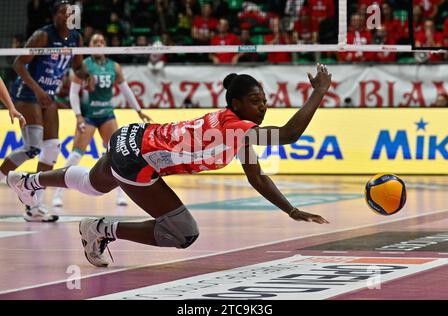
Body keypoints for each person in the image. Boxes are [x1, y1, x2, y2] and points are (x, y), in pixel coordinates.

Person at [7, 64, 331, 268]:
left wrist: (290, 210)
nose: (263, 107)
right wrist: (318, 92)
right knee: (184, 233)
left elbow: (257, 177)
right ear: (236, 104)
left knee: (94, 184)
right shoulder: (232, 124)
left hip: (132, 136)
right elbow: (289, 134)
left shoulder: (239, 133)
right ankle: (100, 229)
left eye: (265, 101)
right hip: (138, 159)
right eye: (256, 101)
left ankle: (30, 181)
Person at [0, 0, 86, 222]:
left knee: (52, 149)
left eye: (70, 12)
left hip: (49, 95)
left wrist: (88, 74)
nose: (67, 16)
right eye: (63, 12)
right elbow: (18, 64)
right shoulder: (43, 35)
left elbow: (78, 67)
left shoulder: (76, 38)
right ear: (55, 16)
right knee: (32, 148)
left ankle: (34, 206)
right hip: (28, 93)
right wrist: (38, 91)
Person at [52, 33, 152, 207]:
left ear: (106, 45)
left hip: (107, 114)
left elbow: (126, 90)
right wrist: (77, 116)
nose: (99, 44)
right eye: (95, 42)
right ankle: (57, 194)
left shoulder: (115, 67)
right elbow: (73, 92)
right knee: (76, 154)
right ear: (90, 46)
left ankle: (120, 195)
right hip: (89, 114)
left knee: (117, 154)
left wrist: (139, 110)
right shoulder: (83, 66)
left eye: (101, 41)